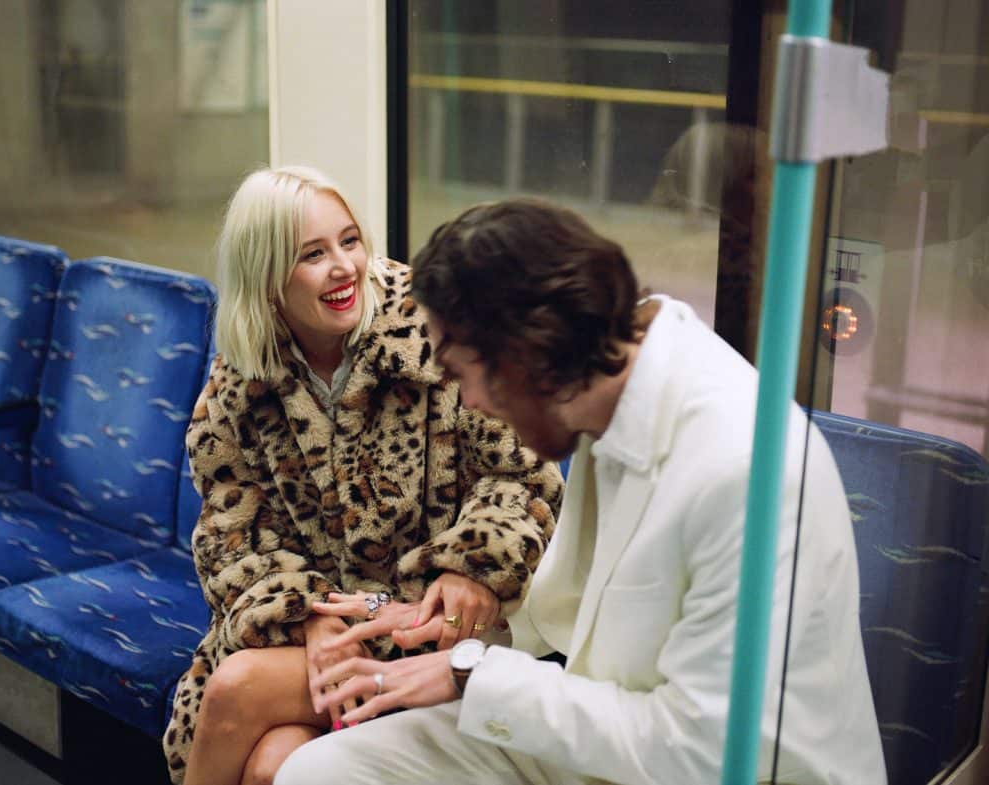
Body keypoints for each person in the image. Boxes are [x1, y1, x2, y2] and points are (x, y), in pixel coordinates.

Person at [274, 198, 887, 785]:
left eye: (461, 373)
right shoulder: (612, 381)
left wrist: (473, 677)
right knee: (315, 772)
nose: (469, 403)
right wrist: (462, 634)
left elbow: (700, 750)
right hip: (612, 737)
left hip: (710, 767)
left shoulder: (743, 471)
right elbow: (578, 616)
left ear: (523, 354)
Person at [162, 171, 564, 785]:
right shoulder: (239, 383)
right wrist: (308, 616)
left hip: (426, 624)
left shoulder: (434, 329)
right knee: (270, 766)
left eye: (350, 241)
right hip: (315, 631)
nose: (345, 266)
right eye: (313, 255)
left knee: (236, 687)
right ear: (267, 277)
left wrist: (470, 567)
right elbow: (231, 539)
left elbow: (521, 473)